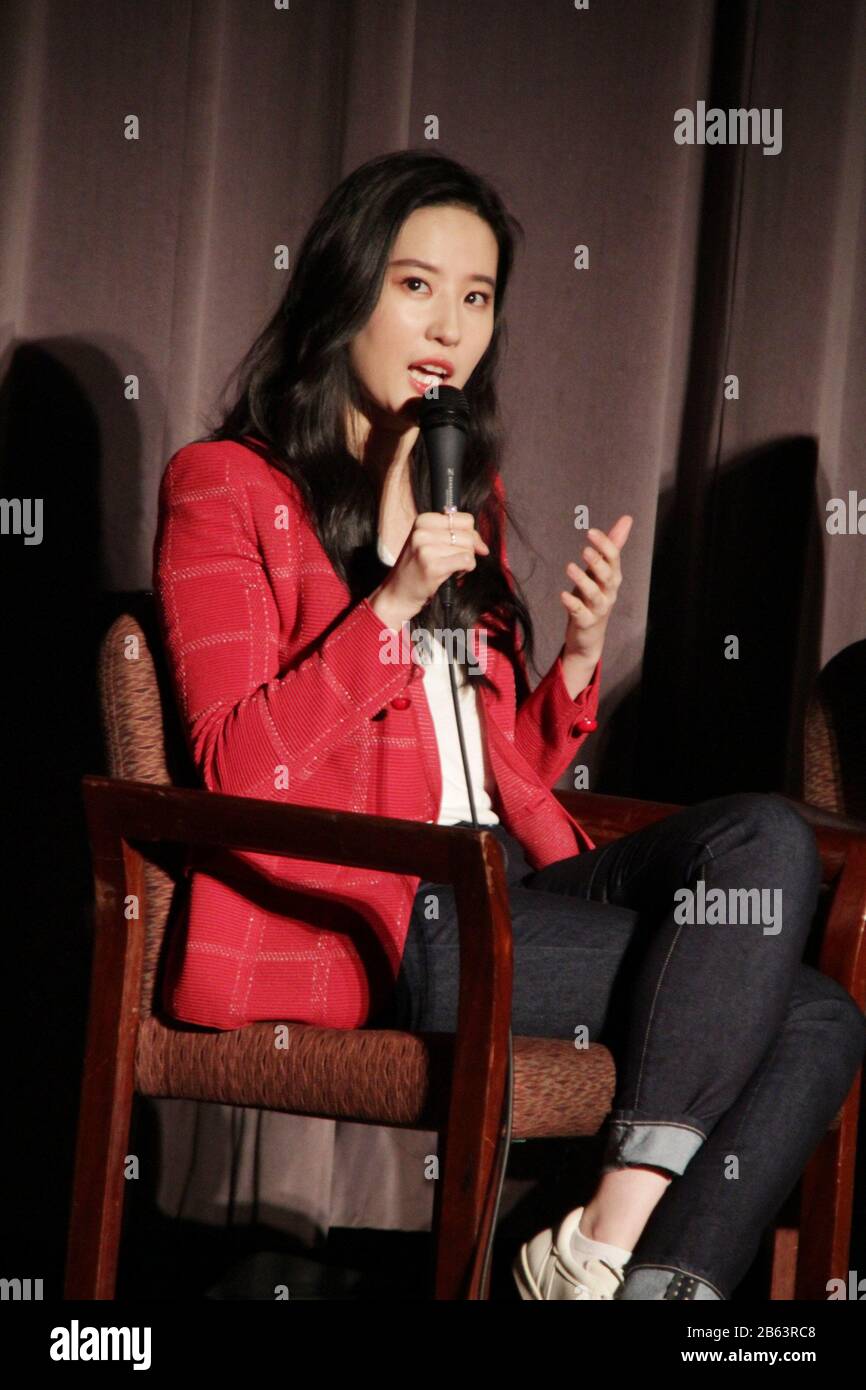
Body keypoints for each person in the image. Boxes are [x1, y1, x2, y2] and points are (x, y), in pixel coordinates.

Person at [152, 148, 866, 1302]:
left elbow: (483, 775)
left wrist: (571, 667)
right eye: (415, 284)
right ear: (347, 290)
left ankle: (604, 1258)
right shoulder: (228, 488)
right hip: (378, 911)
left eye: (476, 296)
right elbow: (240, 763)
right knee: (813, 1015)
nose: (448, 324)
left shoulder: (457, 488)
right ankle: (609, 1276)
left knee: (765, 841)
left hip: (497, 882)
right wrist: (384, 603)